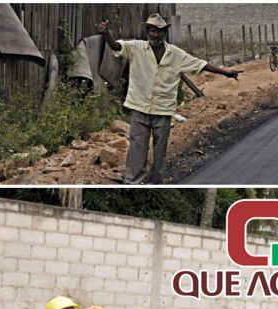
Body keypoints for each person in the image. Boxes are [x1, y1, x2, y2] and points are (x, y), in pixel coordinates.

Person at [97, 14, 239, 184]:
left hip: (163, 110)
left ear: (164, 33)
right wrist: (106, 34)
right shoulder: (136, 48)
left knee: (160, 150)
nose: (155, 35)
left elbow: (200, 64)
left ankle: (155, 182)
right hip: (140, 107)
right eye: (152, 31)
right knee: (137, 147)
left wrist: (226, 72)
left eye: (159, 31)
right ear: (147, 32)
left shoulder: (176, 54)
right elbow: (116, 46)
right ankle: (133, 181)